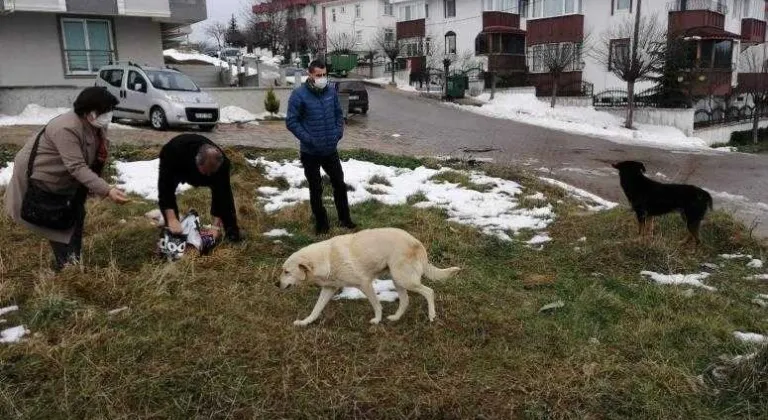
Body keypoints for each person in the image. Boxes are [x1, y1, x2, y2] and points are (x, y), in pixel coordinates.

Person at [4, 87, 129, 270]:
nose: (109, 115)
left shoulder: (95, 125)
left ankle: (72, 260)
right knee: (57, 219)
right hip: (44, 177)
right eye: (106, 111)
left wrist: (96, 186)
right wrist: (107, 189)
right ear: (90, 113)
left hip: (66, 180)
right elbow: (76, 166)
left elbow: (95, 156)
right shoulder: (66, 128)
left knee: (76, 213)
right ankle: (67, 267)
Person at [286, 60, 356, 235]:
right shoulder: (299, 95)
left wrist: (337, 133)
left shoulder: (331, 92)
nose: (322, 78)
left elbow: (339, 114)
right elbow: (291, 121)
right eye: (318, 75)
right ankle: (322, 223)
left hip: (330, 149)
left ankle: (345, 219)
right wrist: (308, 138)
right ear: (310, 75)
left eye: (324, 75)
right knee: (316, 188)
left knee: (339, 183)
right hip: (310, 152)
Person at [157, 133, 243, 242]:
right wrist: (172, 219)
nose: (208, 176)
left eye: (211, 173)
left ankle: (232, 232)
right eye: (206, 172)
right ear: (197, 162)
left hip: (202, 164)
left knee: (223, 191)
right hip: (177, 159)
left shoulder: (222, 165)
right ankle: (172, 228)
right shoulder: (174, 154)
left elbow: (222, 195)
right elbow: (165, 189)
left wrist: (215, 227)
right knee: (171, 215)